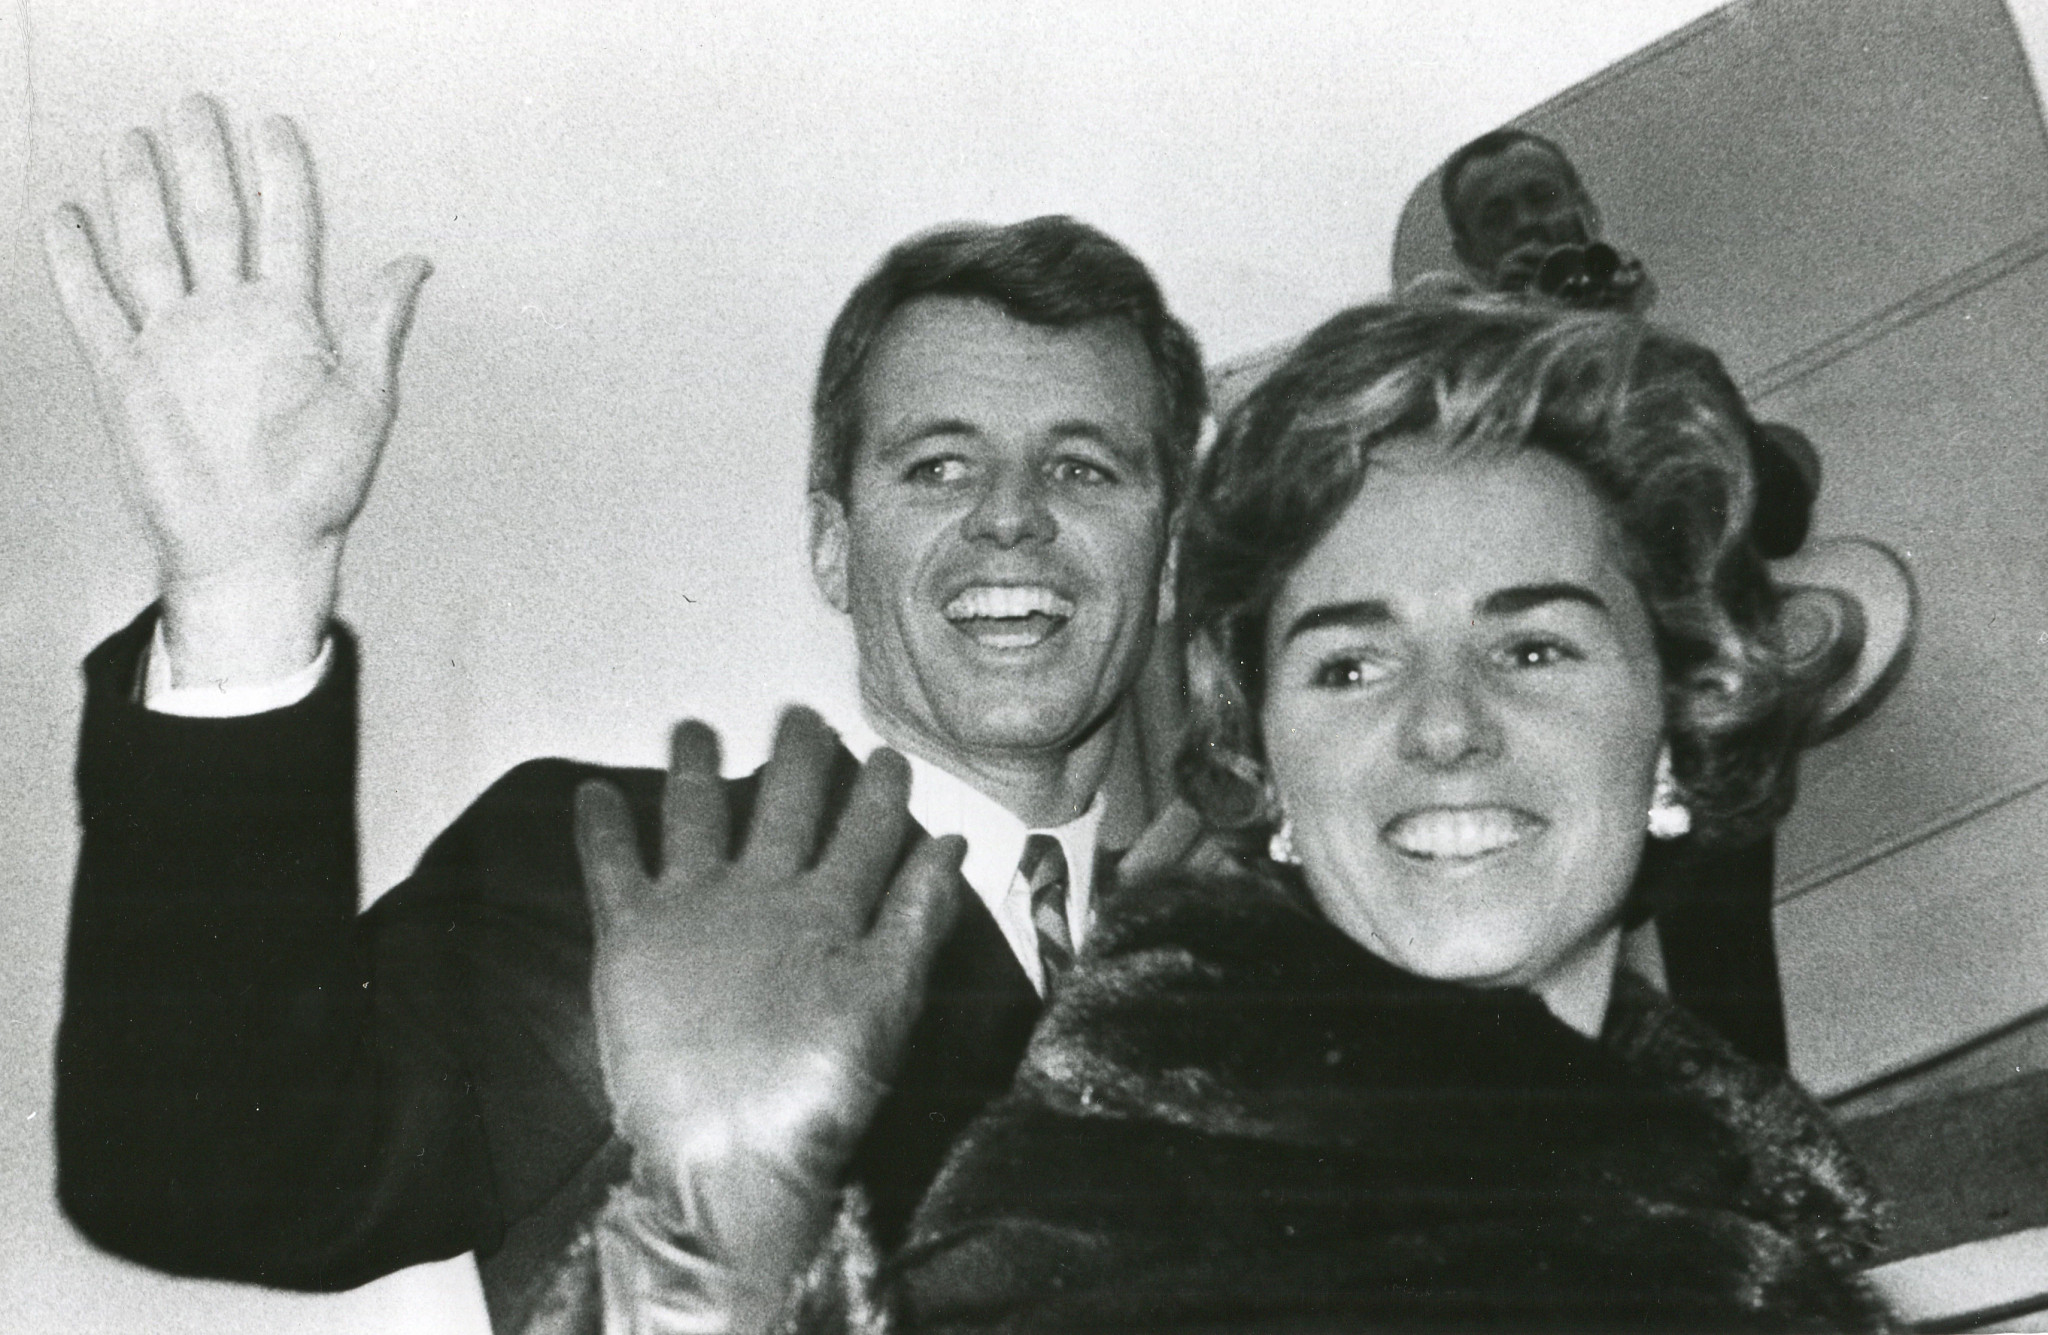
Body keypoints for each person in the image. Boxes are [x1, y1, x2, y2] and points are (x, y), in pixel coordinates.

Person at [47, 96, 1205, 1333]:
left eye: (1084, 467)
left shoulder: (1232, 942)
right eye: (938, 466)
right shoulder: (619, 870)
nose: (1011, 515)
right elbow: (215, 1167)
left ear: (1171, 549)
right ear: (831, 544)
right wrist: (241, 594)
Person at [587, 299, 1897, 1331]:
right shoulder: (1126, 1203)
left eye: (1537, 648)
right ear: (1266, 766)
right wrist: (723, 1226)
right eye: (1351, 663)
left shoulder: (1745, 1178)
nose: (1445, 726)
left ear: (1671, 723)